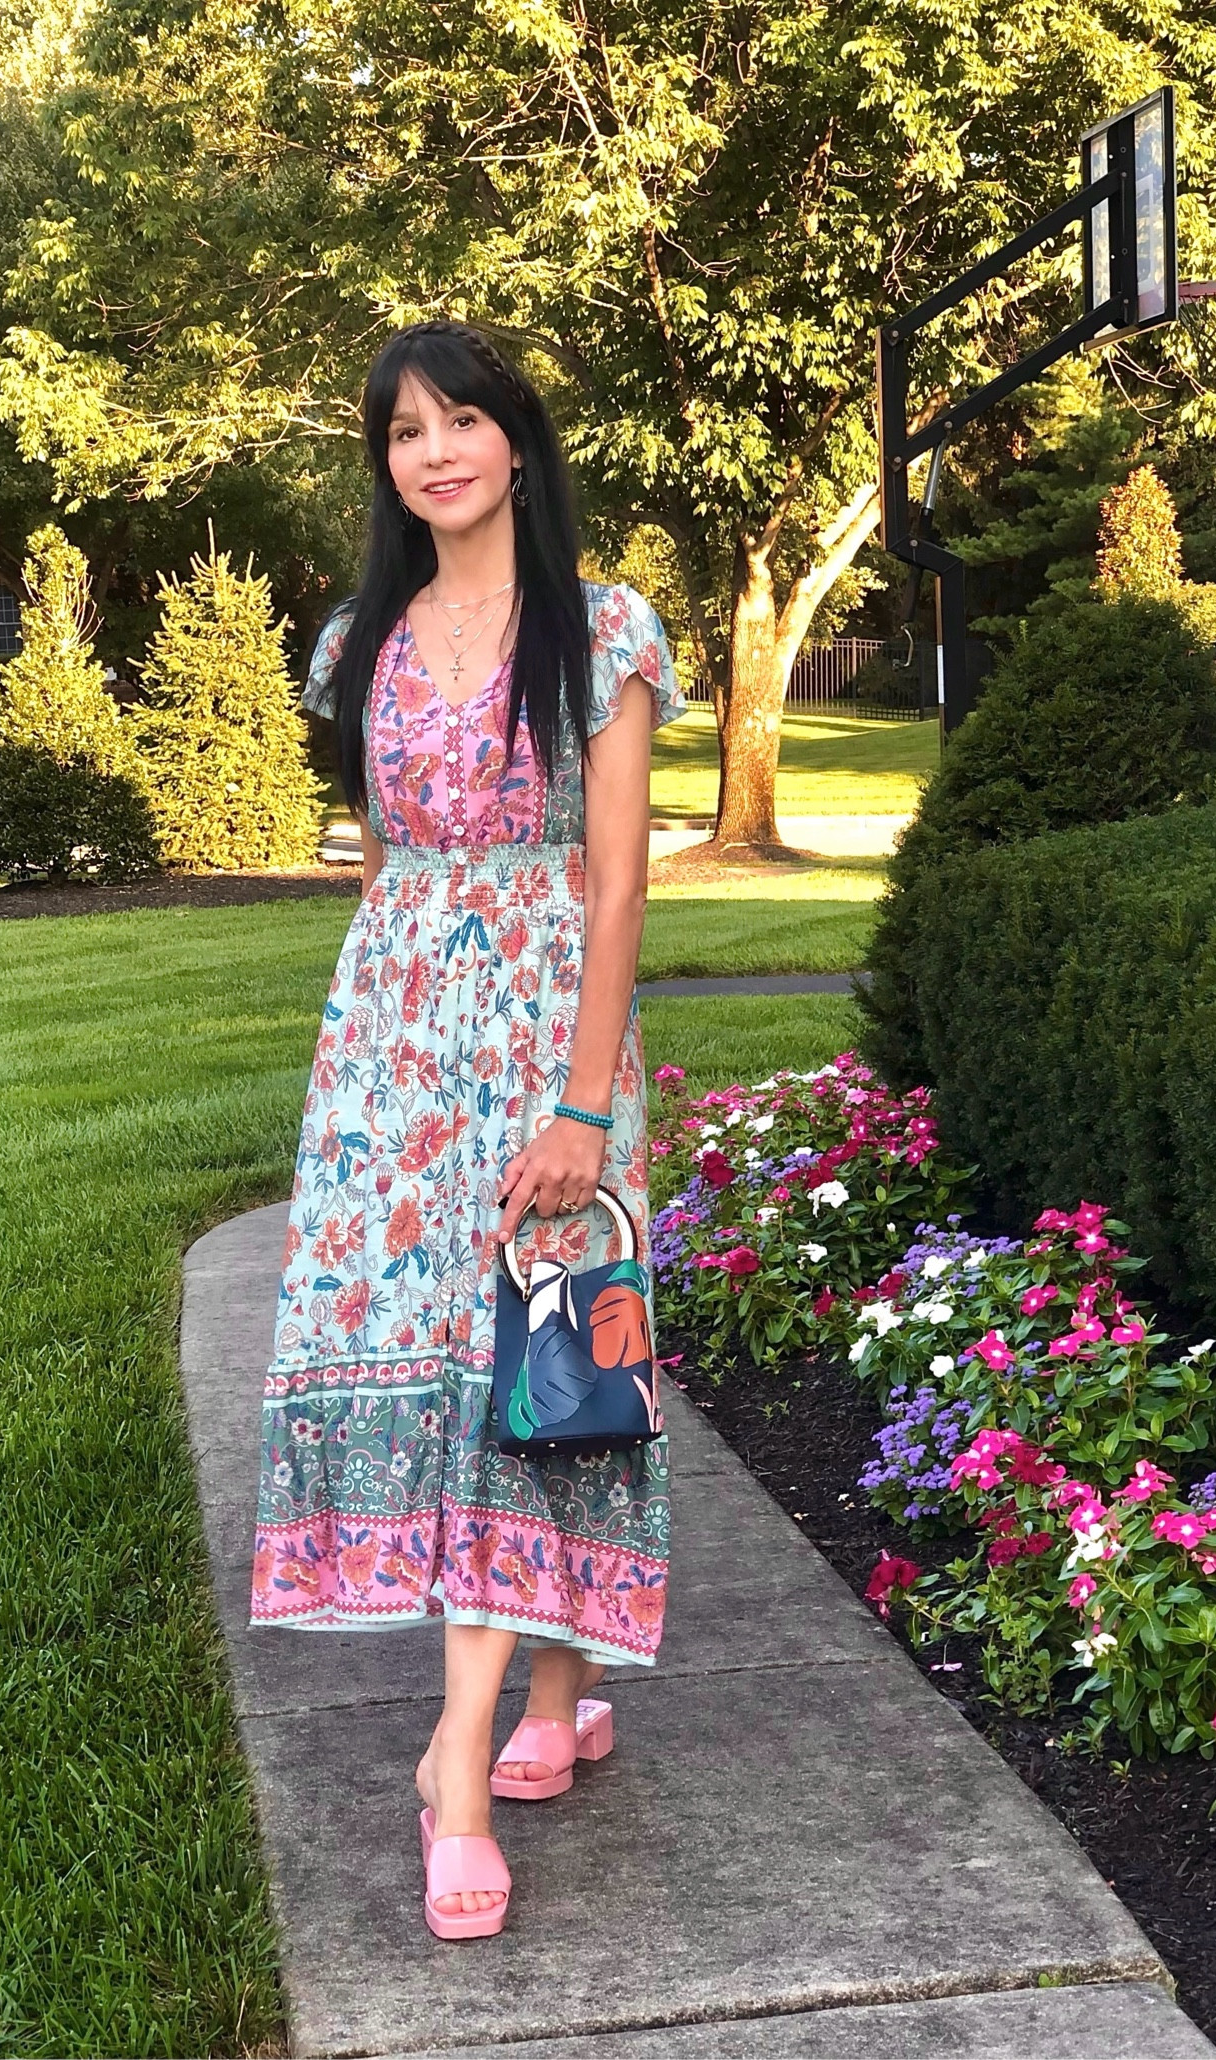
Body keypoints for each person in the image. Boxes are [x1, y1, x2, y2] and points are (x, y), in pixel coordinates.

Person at [249, 319, 685, 1940]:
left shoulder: (606, 624)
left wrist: (580, 1099)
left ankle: (452, 1762)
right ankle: (556, 1696)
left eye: (461, 421)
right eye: (403, 433)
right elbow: (381, 866)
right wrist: (371, 1062)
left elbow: (624, 879)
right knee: (451, 1358)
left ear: (517, 438)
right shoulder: (360, 635)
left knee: (534, 1357)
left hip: (551, 1027)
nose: (434, 453)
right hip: (393, 1038)